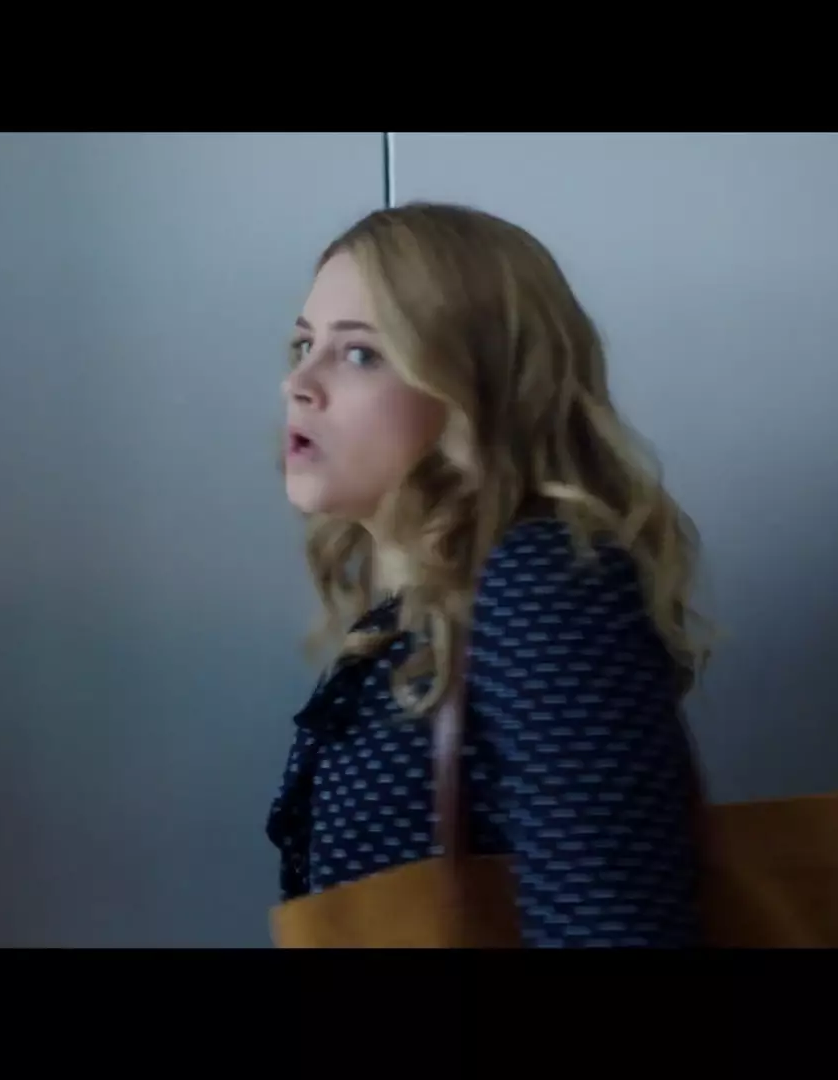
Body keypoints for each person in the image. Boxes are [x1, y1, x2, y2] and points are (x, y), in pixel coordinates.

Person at [265, 202, 711, 947]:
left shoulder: (545, 581)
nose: (299, 384)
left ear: (478, 389)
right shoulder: (414, 615)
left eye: (361, 353)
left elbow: (614, 930)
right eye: (304, 344)